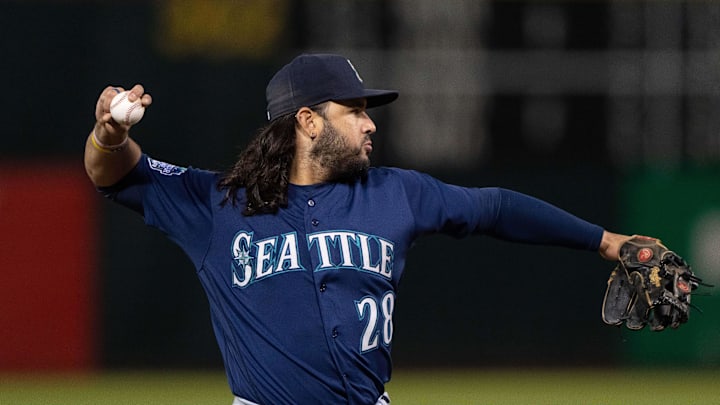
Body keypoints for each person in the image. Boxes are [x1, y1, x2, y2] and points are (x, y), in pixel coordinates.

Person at [85, 53, 632, 405]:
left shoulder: (395, 192)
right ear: (308, 121)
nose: (371, 122)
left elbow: (495, 207)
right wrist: (108, 134)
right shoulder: (220, 203)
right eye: (356, 110)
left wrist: (604, 240)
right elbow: (116, 173)